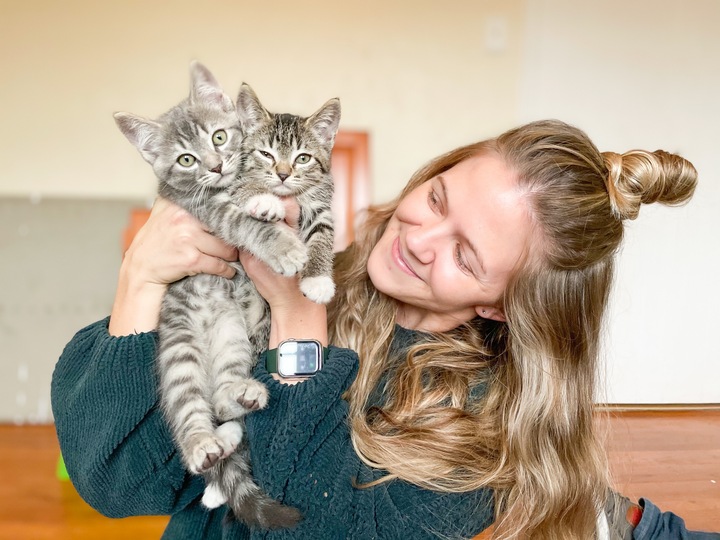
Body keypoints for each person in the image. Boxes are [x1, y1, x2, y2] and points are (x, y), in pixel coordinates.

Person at [51, 119, 717, 539]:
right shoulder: (313, 279)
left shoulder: (479, 441)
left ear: (498, 306)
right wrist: (141, 279)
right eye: (437, 198)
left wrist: (299, 341)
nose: (421, 239)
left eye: (465, 255)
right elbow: (113, 481)